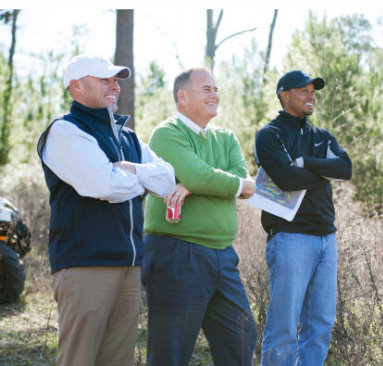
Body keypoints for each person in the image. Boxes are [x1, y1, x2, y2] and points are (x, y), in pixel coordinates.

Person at [36, 54, 175, 366]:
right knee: (79, 360)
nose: (114, 86)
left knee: (118, 361)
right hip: (85, 266)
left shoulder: (130, 138)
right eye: (105, 79)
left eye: (116, 80)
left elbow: (167, 180)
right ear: (76, 87)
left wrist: (122, 168)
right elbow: (104, 187)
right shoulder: (64, 131)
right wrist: (140, 177)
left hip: (129, 266)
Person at [141, 67, 257, 366]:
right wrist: (203, 182)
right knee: (170, 351)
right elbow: (205, 177)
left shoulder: (226, 138)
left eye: (216, 89)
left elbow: (248, 187)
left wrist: (192, 187)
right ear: (183, 96)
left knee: (241, 337)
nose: (215, 94)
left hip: (223, 255)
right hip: (177, 253)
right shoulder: (166, 134)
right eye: (207, 89)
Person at [255, 70, 352, 365]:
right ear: (285, 95)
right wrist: (323, 171)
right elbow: (286, 178)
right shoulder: (269, 135)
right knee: (283, 327)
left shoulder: (322, 137)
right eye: (303, 91)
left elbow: (345, 169)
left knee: (320, 326)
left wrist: (305, 163)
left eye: (313, 91)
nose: (311, 96)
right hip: (290, 238)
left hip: (327, 238)